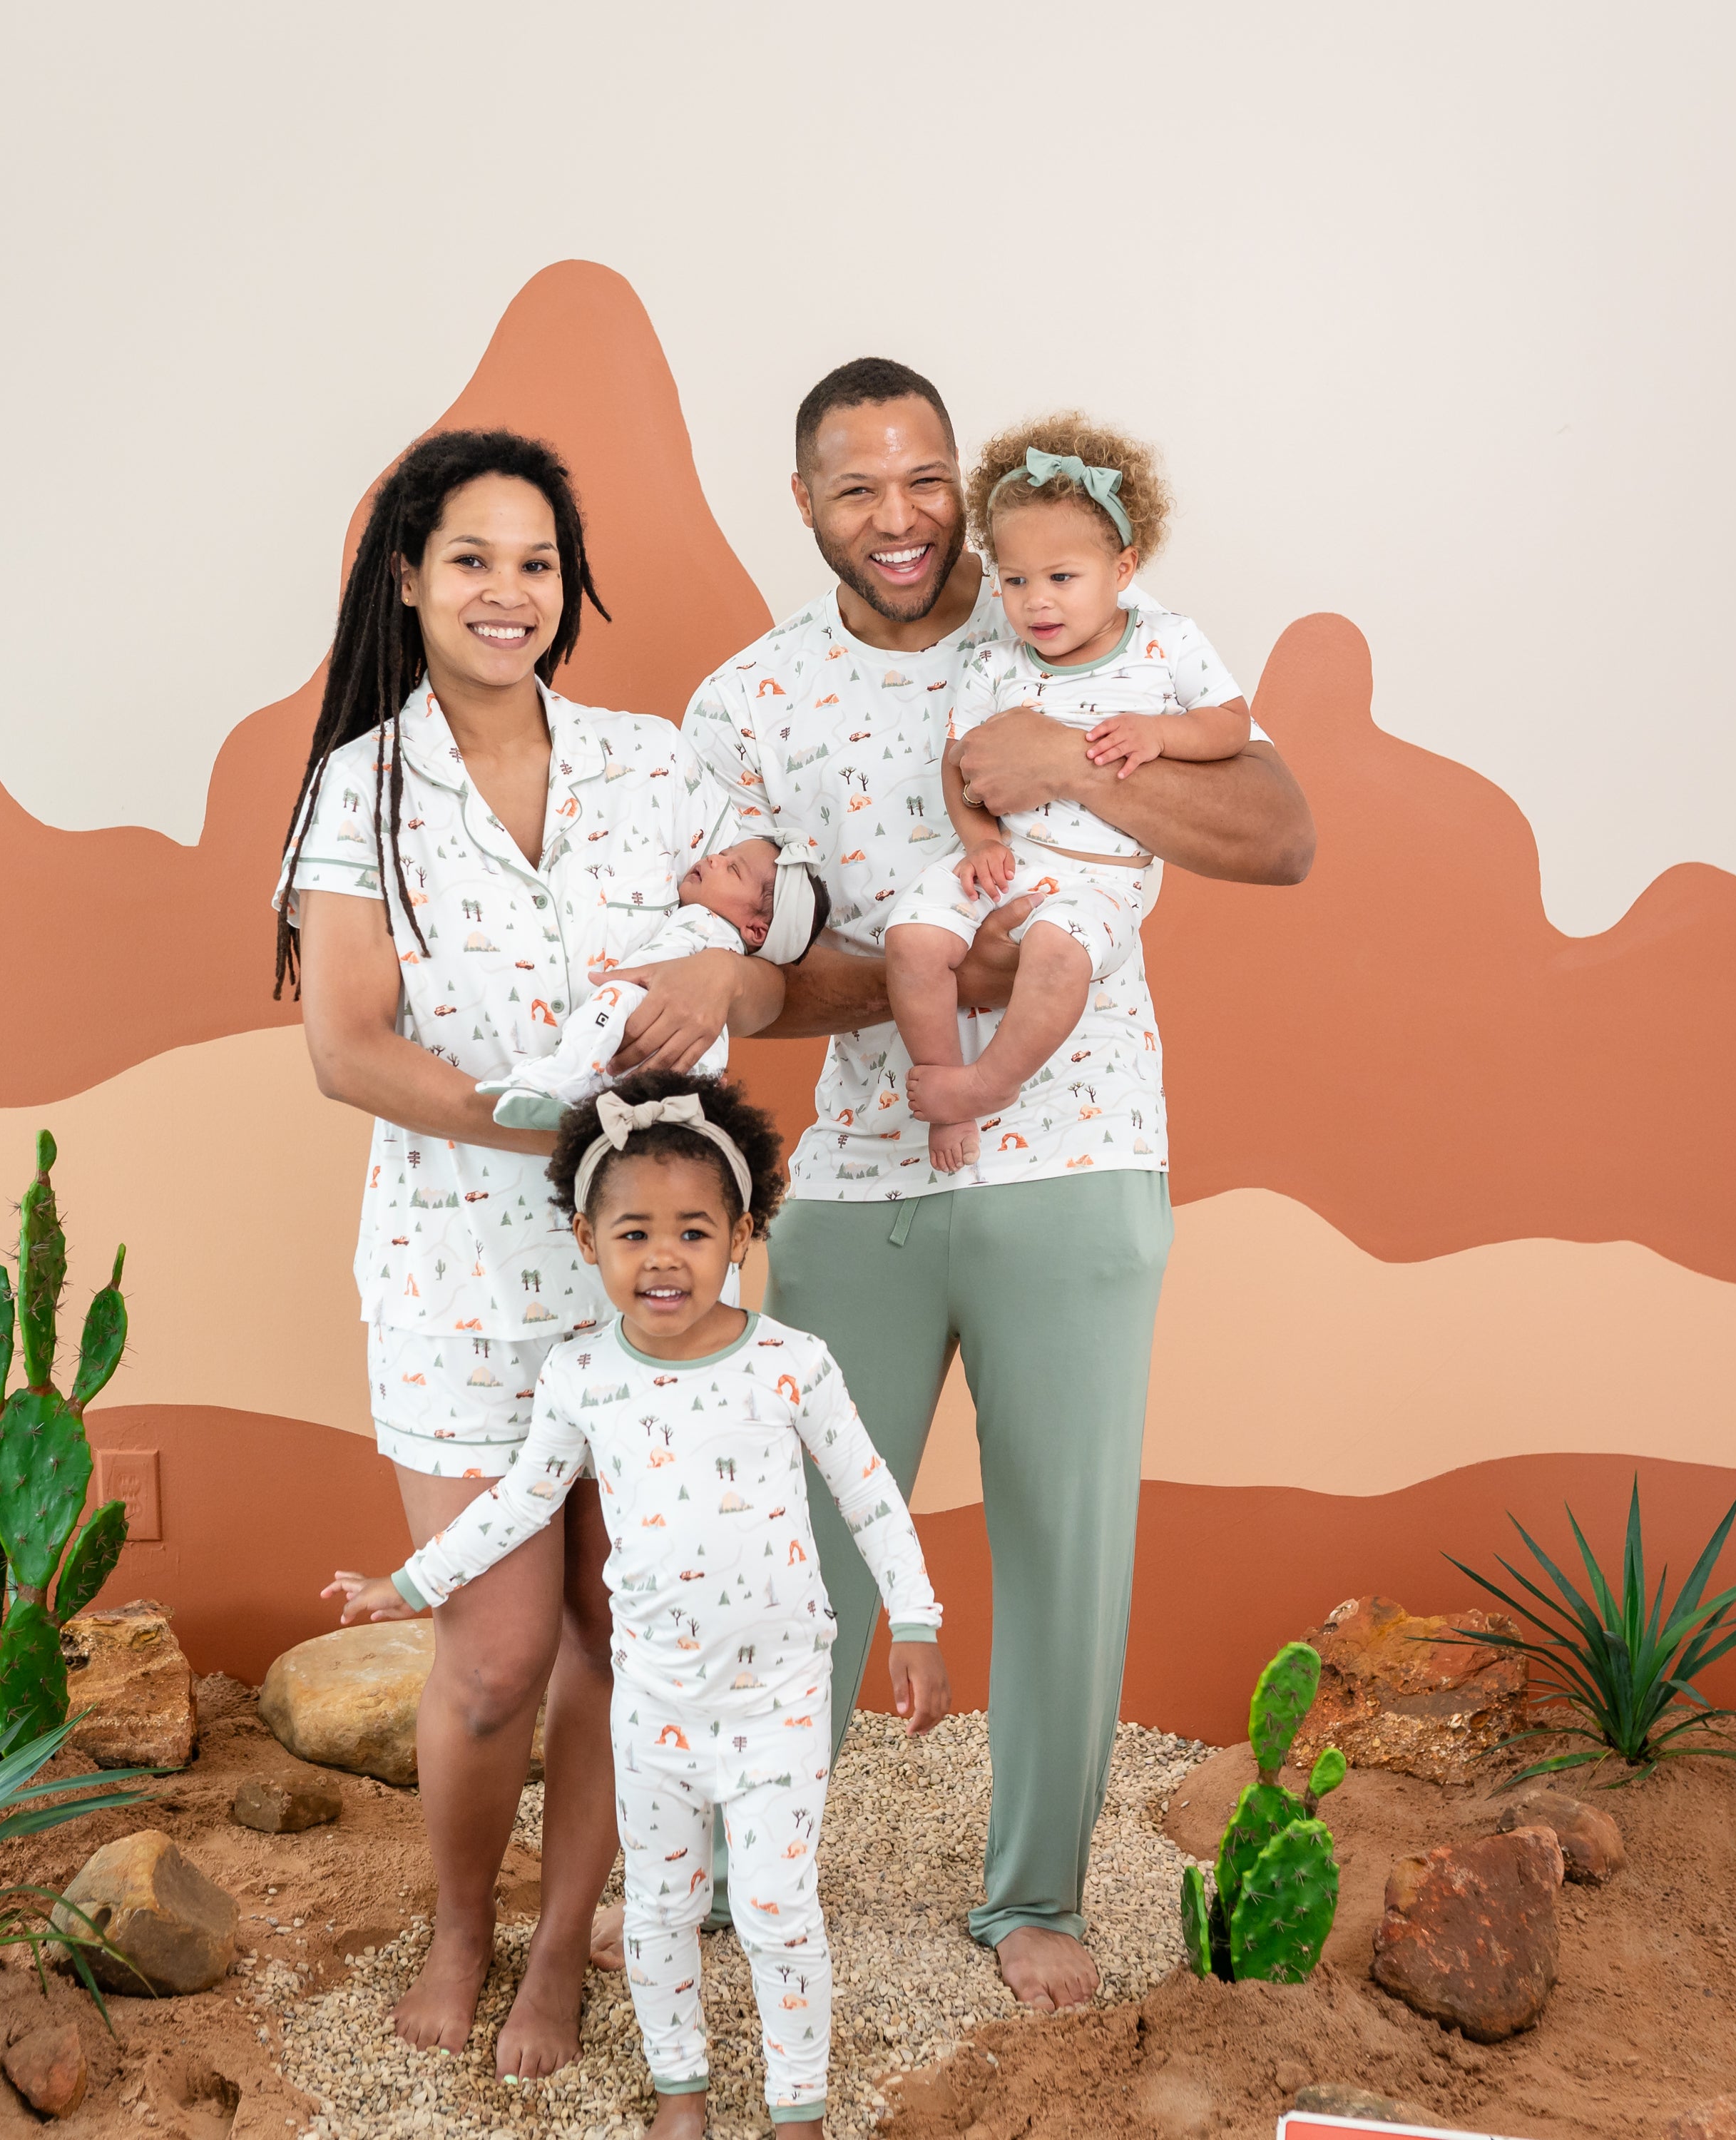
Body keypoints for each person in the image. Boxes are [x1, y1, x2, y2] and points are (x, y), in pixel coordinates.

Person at [682, 358, 1314, 2012]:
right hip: (861, 1176)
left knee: (1061, 1539)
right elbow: (753, 978)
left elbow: (1276, 826)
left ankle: (1034, 1895)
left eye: (920, 477)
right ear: (803, 501)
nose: (896, 516)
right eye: (853, 485)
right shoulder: (744, 704)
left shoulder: (1066, 603)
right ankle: (751, 1872)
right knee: (798, 1544)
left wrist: (1065, 760)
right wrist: (937, 977)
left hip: (1083, 1163)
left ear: (960, 480)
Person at [272, 427, 784, 2073]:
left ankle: (565, 1944)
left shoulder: (653, 764)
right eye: (475, 558)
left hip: (663, 1283)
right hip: (459, 1280)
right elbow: (350, 1046)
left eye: (538, 562)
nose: (510, 592)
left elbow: (771, 932)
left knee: (622, 1636)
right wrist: (560, 1129)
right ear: (408, 577)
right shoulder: (366, 786)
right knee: (494, 1653)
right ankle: (458, 1919)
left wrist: (733, 981)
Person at [327, 1068, 950, 2140]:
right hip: (654, 1706)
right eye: (635, 1234)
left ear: (743, 1235)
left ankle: (797, 2108)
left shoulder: (792, 1365)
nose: (665, 1257)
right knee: (659, 1911)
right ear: (587, 1243)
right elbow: (520, 1504)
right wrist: (410, 1584)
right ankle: (682, 2093)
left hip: (780, 1700)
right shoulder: (580, 1376)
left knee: (773, 1909)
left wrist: (919, 1623)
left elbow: (870, 1496)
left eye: (696, 1231)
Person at [884, 414, 1252, 1173]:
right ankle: (943, 1081)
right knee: (913, 938)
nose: (1037, 603)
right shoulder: (995, 665)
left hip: (1099, 881)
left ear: (1123, 570)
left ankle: (987, 1084)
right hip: (1010, 861)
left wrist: (1160, 735)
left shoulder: (1165, 643)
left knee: (1058, 952)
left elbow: (1232, 724)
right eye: (1015, 581)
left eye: (1062, 579)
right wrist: (981, 840)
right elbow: (960, 764)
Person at [476, 836, 830, 1129]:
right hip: (689, 1045)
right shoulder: (717, 938)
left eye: (732, 868)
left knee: (611, 997)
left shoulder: (709, 927)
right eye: (723, 853)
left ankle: (557, 1081)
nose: (712, 860)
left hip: (647, 1006)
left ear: (756, 929)